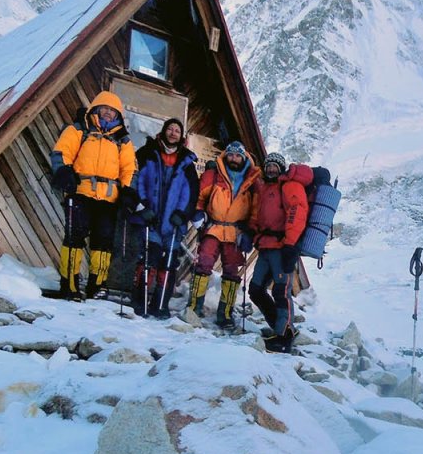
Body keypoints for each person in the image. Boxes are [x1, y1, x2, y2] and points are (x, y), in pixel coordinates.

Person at [49, 91, 137, 300]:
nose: (107, 113)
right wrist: (63, 171)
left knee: (103, 243)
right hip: (80, 192)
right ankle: (69, 284)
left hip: (108, 199)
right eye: (104, 109)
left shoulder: (122, 140)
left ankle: (97, 286)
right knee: (74, 238)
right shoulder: (78, 129)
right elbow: (61, 152)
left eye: (112, 111)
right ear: (95, 109)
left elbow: (130, 168)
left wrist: (128, 191)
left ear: (118, 115)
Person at [129, 118, 198, 318]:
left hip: (173, 223)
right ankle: (139, 301)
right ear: (164, 131)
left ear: (181, 136)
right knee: (148, 259)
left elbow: (191, 192)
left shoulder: (187, 162)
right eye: (170, 129)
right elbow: (137, 179)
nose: (173, 133)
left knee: (168, 264)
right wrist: (141, 206)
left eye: (177, 130)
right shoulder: (147, 154)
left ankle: (160, 305)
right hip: (151, 218)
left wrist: (182, 214)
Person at [188, 141, 258, 329]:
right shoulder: (213, 174)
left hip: (236, 232)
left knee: (232, 272)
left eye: (238, 156)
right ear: (226, 156)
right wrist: (198, 213)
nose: (234, 158)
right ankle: (194, 307)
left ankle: (225, 313)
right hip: (213, 227)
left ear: (243, 158)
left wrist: (250, 232)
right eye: (231, 155)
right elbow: (200, 198)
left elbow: (255, 210)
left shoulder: (251, 181)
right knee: (203, 263)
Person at [248, 151, 311, 352]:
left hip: (282, 247)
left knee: (281, 292)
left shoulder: (289, 185)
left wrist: (291, 245)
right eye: (269, 166)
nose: (271, 169)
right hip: (266, 246)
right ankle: (282, 327)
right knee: (256, 290)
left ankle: (284, 336)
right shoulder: (266, 188)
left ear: (281, 168)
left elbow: (297, 212)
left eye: (275, 166)